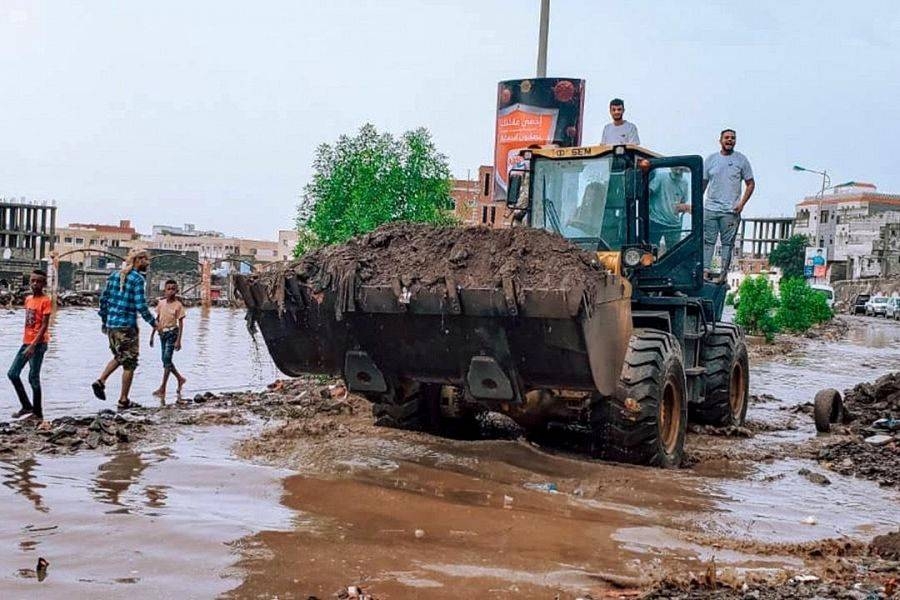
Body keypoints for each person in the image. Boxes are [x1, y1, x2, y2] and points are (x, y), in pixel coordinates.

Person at [92, 249, 158, 410]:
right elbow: (140, 305)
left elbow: (104, 300)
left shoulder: (114, 275)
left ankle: (101, 381)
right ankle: (123, 399)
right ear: (138, 260)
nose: (148, 263)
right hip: (127, 326)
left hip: (112, 326)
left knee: (120, 356)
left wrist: (104, 321)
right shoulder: (137, 279)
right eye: (146, 260)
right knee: (130, 363)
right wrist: (154, 323)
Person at [702, 129, 755, 282]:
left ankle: (722, 275)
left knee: (727, 244)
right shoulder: (711, 159)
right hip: (711, 208)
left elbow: (750, 183)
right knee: (708, 241)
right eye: (726, 138)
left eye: (732, 138)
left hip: (730, 211)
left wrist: (742, 203)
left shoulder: (741, 160)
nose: (729, 140)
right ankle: (705, 272)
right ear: (720, 140)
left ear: (735, 141)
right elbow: (703, 184)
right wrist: (695, 204)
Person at [8, 270, 52, 428]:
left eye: (38, 281)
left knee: (33, 377)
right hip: (26, 342)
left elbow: (44, 326)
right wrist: (28, 344)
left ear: (44, 284)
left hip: (38, 344)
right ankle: (26, 406)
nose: (35, 284)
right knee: (13, 373)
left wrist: (34, 345)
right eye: (33, 281)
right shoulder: (28, 300)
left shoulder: (46, 301)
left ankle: (38, 413)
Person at [150, 279, 187, 400]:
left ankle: (163, 387)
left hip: (172, 333)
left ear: (176, 291)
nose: (170, 291)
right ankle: (180, 378)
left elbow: (181, 324)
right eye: (168, 289)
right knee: (165, 360)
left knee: (166, 359)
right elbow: (157, 319)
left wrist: (179, 340)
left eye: (173, 289)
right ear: (165, 290)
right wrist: (152, 335)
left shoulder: (178, 305)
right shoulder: (161, 303)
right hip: (162, 334)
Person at [649, 167, 690, 253]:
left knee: (674, 252)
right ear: (671, 168)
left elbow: (682, 202)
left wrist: (684, 208)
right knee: (651, 250)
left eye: (681, 170)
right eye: (676, 169)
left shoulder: (684, 183)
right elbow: (648, 192)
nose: (678, 172)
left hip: (674, 223)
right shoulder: (661, 178)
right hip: (656, 220)